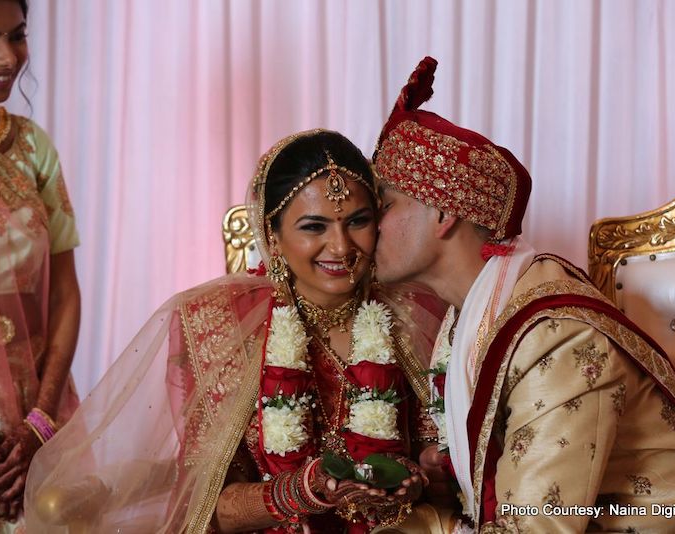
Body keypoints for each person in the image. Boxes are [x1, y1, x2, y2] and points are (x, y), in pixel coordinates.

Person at [371, 56, 675, 533]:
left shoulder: (553, 333)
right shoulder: (467, 317)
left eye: (386, 204)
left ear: (442, 214)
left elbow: (537, 528)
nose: (368, 227)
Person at [25, 129, 455, 533]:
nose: (341, 247)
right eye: (314, 227)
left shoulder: (415, 314)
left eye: (357, 221)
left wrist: (417, 477)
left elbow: (439, 464)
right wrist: (305, 488)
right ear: (272, 233)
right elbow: (209, 504)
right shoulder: (220, 327)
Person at [0, 0, 81, 531]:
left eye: (18, 36)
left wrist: (41, 417)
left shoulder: (34, 146)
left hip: (35, 403)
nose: (8, 57)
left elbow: (64, 292)